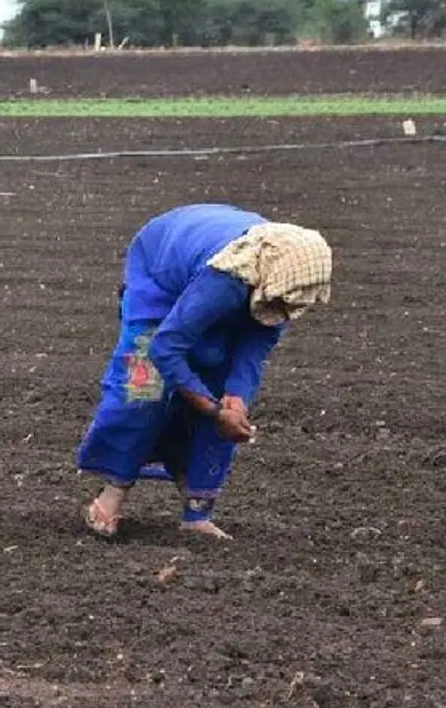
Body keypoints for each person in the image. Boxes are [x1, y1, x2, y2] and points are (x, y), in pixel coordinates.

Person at [77, 203, 333, 540]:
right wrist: (212, 409)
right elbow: (165, 347)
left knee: (217, 377)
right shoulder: (228, 277)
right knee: (143, 389)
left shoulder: (283, 285)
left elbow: (252, 353)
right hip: (161, 280)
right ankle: (111, 496)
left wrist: (235, 400)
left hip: (227, 286)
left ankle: (196, 513)